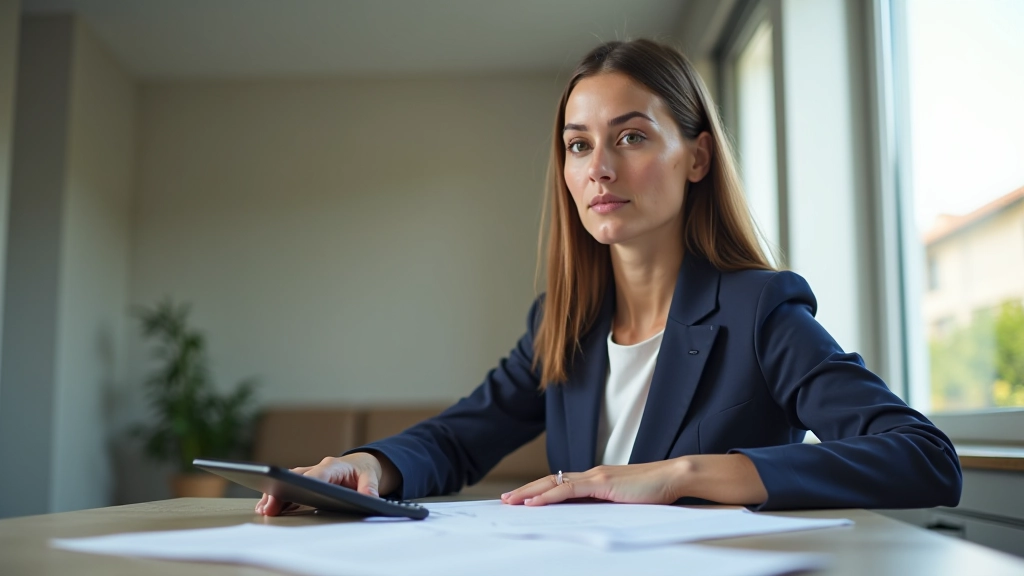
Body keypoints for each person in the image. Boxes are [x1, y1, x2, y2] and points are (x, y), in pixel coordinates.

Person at [256, 39, 961, 516]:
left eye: (631, 137)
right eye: (578, 144)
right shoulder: (563, 323)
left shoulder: (759, 312)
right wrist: (366, 469)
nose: (599, 168)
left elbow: (925, 459)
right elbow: (455, 439)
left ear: (697, 158)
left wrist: (682, 475)